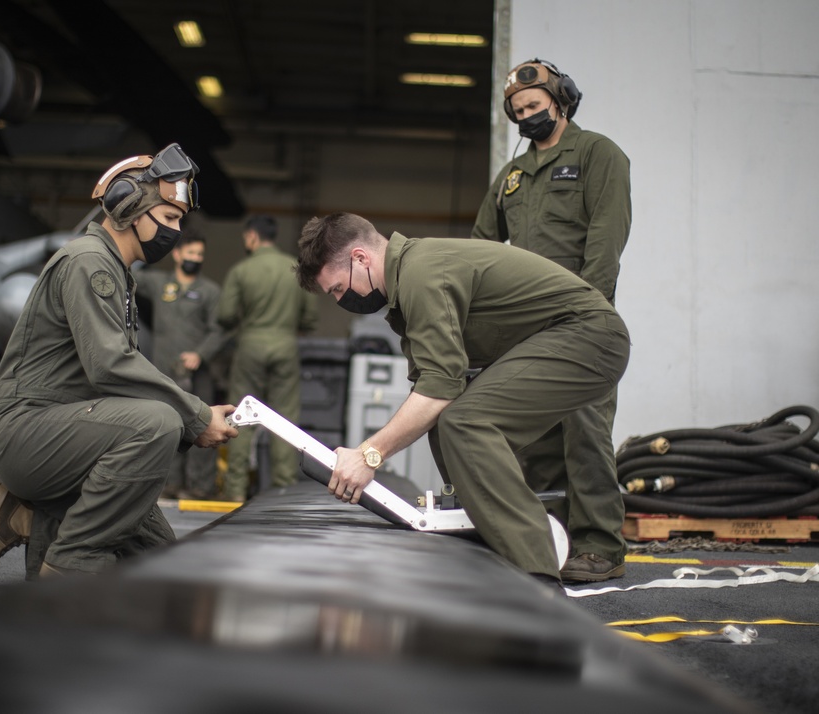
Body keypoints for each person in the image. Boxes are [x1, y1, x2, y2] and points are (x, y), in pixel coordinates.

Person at [294, 213, 630, 590]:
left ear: (360, 258)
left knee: (465, 422)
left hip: (589, 336)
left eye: (338, 289)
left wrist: (368, 454)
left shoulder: (422, 274)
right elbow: (429, 392)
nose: (342, 300)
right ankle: (489, 538)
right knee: (448, 419)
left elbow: (438, 390)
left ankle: (536, 576)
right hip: (561, 338)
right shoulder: (405, 290)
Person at [0, 143, 238, 583]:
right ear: (129, 208)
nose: (174, 232)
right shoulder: (89, 263)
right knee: (158, 423)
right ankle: (70, 561)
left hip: (67, 432)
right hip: (29, 433)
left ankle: (26, 520)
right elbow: (110, 365)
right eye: (169, 218)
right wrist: (196, 415)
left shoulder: (115, 270)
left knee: (166, 569)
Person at [471, 58, 632, 583]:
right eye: (519, 112)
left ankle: (599, 547)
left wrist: (590, 313)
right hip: (526, 325)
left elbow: (605, 244)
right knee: (534, 438)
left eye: (535, 107)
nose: (528, 118)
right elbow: (480, 247)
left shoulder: (597, 154)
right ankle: (552, 541)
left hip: (582, 318)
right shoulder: (512, 176)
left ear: (562, 100)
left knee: (585, 433)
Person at [216, 215, 318, 502]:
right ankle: (282, 491)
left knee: (240, 416)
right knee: (285, 419)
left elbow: (224, 315)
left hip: (249, 346)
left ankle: (234, 492)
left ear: (251, 237)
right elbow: (311, 318)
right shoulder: (295, 269)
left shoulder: (241, 270)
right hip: (285, 345)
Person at [134, 231, 227, 499]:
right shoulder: (160, 283)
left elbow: (219, 330)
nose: (195, 259)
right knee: (167, 427)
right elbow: (126, 273)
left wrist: (201, 354)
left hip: (198, 373)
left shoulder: (210, 291)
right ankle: (169, 485)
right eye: (191, 254)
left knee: (203, 425)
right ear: (177, 254)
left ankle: (201, 488)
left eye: (199, 255)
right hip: (164, 371)